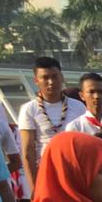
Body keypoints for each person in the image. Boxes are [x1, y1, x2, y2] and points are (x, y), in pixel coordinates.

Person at [18, 56, 86, 193]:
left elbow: (85, 143)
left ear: (62, 77)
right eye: (45, 78)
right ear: (36, 81)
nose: (51, 82)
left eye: (55, 76)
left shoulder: (78, 107)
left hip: (74, 172)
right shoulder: (29, 109)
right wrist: (34, 187)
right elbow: (28, 151)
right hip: (46, 173)